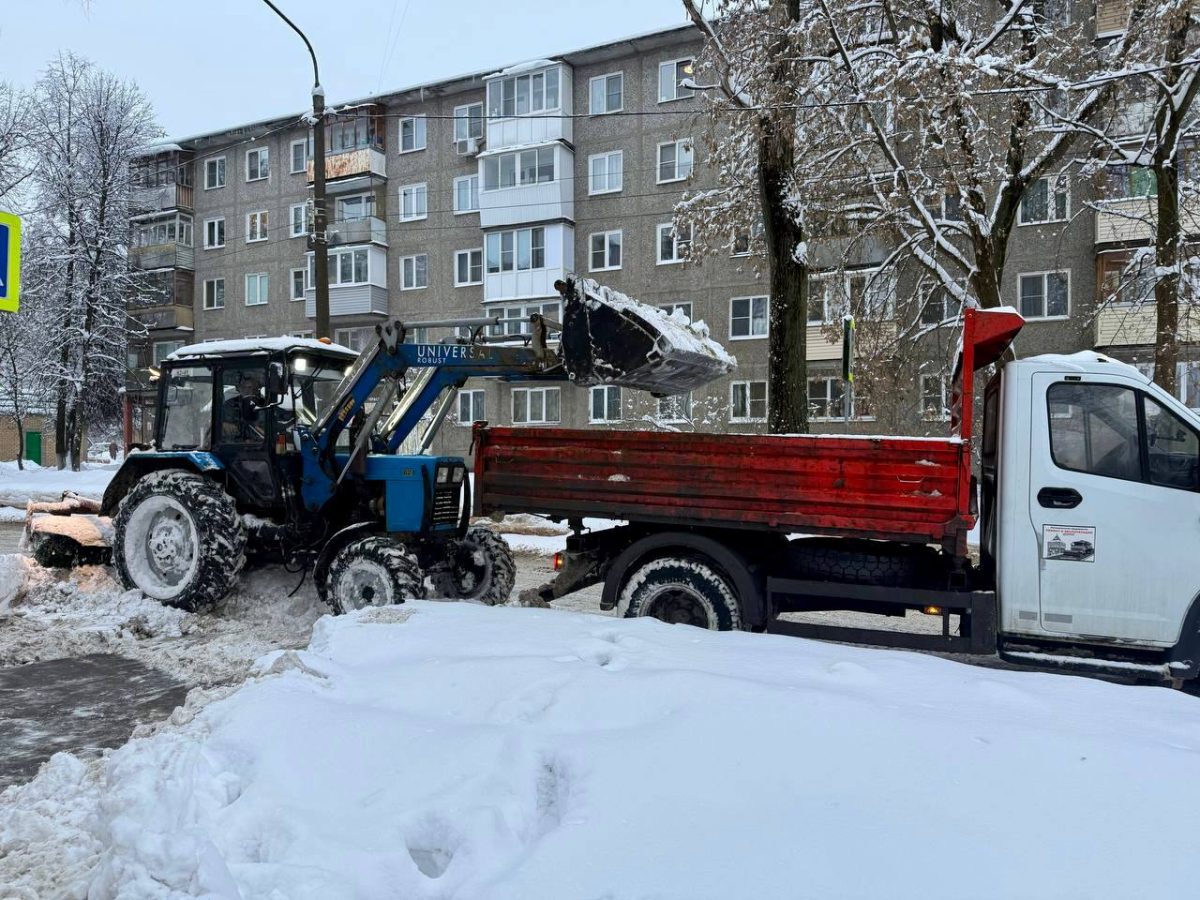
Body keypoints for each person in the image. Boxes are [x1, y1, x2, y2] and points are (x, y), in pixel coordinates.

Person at [222, 370, 265, 441]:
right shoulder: (229, 405)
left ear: (257, 390)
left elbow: (271, 430)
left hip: (259, 446)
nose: (248, 391)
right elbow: (217, 425)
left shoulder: (265, 405)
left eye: (251, 388)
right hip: (233, 445)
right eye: (244, 387)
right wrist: (225, 425)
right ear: (239, 388)